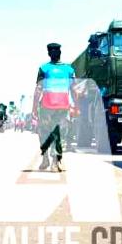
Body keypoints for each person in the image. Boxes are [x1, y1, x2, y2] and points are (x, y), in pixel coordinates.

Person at [33, 42, 75, 172]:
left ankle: (48, 159)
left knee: (45, 132)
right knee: (60, 132)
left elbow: (38, 89)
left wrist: (34, 108)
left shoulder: (44, 68)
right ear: (60, 53)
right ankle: (55, 161)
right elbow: (74, 89)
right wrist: (75, 106)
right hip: (62, 106)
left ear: (48, 53)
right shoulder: (69, 69)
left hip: (47, 106)